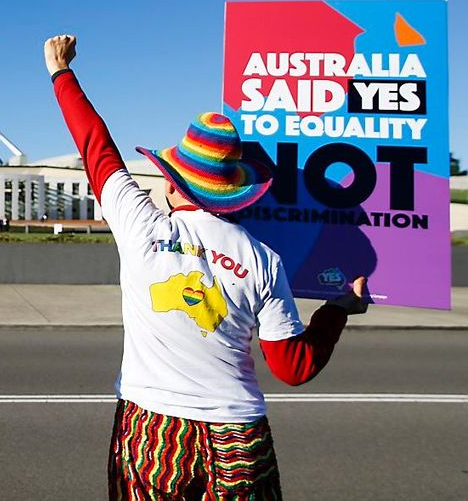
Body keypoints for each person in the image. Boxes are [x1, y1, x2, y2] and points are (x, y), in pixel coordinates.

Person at [43, 35, 369, 500]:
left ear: (175, 183)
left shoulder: (140, 226)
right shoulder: (262, 258)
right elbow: (293, 367)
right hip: (238, 437)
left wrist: (61, 72)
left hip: (151, 431)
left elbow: (97, 148)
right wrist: (337, 309)